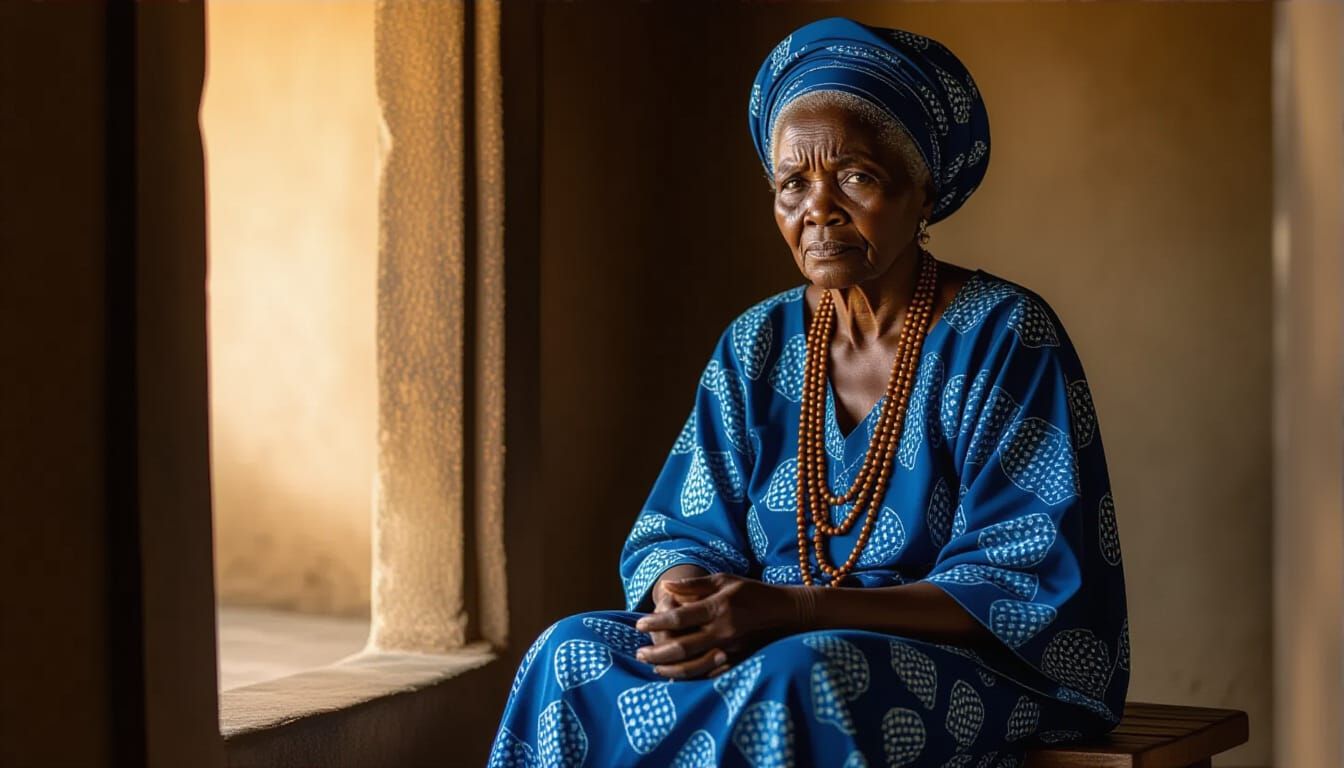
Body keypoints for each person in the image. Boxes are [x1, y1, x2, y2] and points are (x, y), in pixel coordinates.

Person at [488, 17, 1128, 768]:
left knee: (807, 674)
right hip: (766, 641)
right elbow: (683, 527)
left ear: (923, 191)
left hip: (966, 663)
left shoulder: (1004, 335)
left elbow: (1020, 579)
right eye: (793, 183)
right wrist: (690, 601)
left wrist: (789, 609)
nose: (818, 209)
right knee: (567, 653)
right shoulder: (758, 343)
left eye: (856, 176)